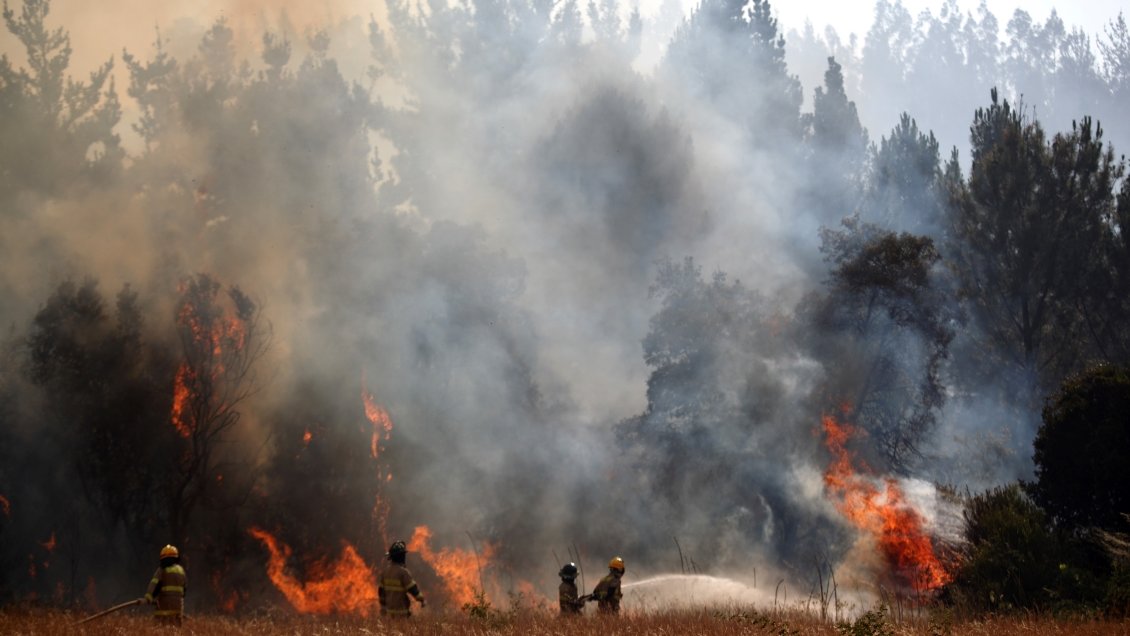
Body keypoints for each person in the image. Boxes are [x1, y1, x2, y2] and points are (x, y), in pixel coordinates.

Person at [378, 540, 426, 617]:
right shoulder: (403, 572)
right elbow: (412, 589)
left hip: (389, 614)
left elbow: (381, 591)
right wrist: (421, 599)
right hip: (401, 614)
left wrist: (383, 606)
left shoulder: (385, 572)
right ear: (402, 556)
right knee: (401, 629)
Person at [144, 544, 186, 626]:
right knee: (176, 627)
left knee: (160, 627)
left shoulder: (162, 570)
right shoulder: (181, 570)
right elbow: (184, 589)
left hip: (164, 607)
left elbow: (154, 584)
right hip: (178, 606)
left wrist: (149, 597)